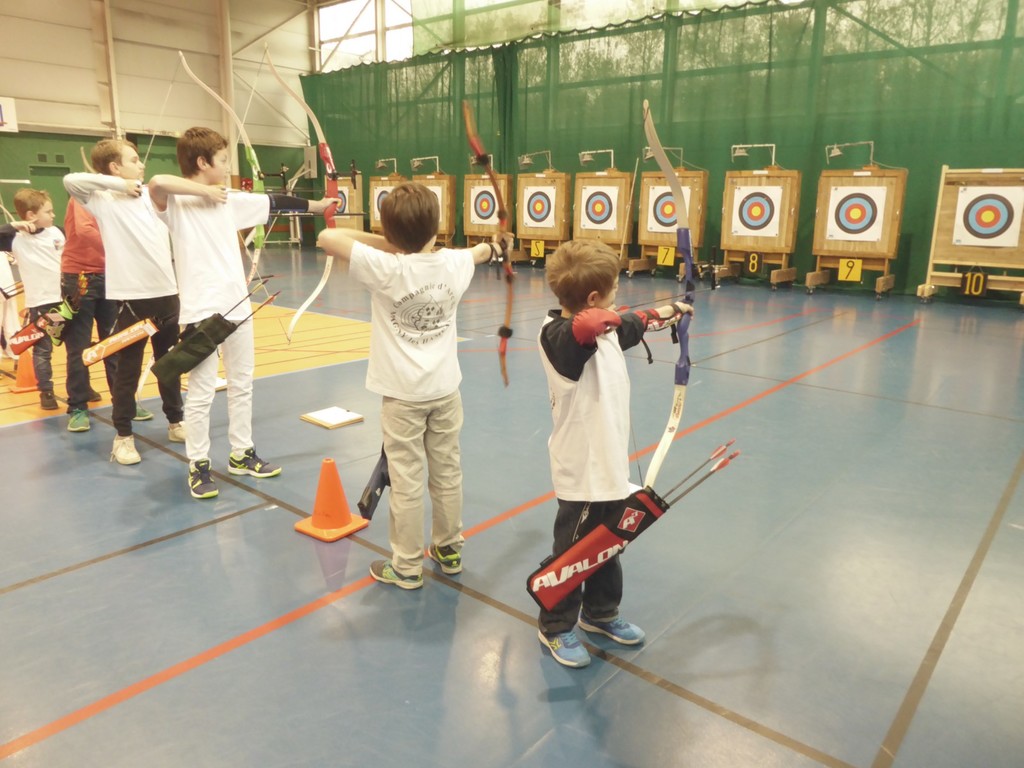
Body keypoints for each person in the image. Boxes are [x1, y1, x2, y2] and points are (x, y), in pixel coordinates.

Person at [317, 181, 506, 589]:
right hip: (446, 392)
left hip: (403, 398)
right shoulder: (454, 263)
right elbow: (481, 252)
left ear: (390, 232)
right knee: (448, 472)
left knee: (406, 481)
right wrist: (496, 246)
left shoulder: (387, 267)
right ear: (437, 228)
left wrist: (388, 243)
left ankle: (406, 566)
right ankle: (449, 548)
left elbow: (327, 237)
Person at [148, 126, 340, 500]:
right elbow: (156, 182)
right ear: (202, 162)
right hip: (202, 311)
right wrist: (205, 192)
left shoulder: (230, 201)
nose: (227, 167)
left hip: (237, 305)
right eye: (222, 160)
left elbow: (275, 202)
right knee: (201, 392)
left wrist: (321, 206)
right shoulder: (176, 204)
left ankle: (242, 452)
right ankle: (198, 463)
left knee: (242, 383)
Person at [535, 239, 692, 668]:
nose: (618, 293)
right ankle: (555, 625)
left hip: (610, 467)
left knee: (608, 544)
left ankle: (600, 613)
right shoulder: (558, 338)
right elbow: (591, 325)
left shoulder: (603, 329)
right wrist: (620, 316)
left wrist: (672, 311)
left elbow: (629, 324)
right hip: (581, 472)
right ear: (592, 298)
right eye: (614, 287)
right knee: (574, 554)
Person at [64, 139, 184, 464]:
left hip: (167, 295)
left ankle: (176, 422)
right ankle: (123, 437)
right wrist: (119, 184)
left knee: (169, 366)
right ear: (115, 167)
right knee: (127, 371)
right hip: (132, 299)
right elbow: (70, 180)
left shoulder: (151, 195)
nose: (141, 164)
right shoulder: (102, 200)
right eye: (133, 160)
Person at [60, 197, 125, 432]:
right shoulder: (84, 195)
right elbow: (85, 231)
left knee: (114, 344)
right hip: (80, 277)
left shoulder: (115, 198)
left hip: (110, 275)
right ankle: (78, 407)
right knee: (79, 346)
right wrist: (121, 245)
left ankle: (123, 403)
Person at [0, 189, 66, 410]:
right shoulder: (15, 239)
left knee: (77, 346)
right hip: (41, 304)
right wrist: (14, 226)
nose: (53, 215)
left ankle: (83, 387)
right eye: (48, 211)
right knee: (43, 350)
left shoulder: (58, 232)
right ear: (30, 215)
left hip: (67, 302)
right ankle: (46, 391)